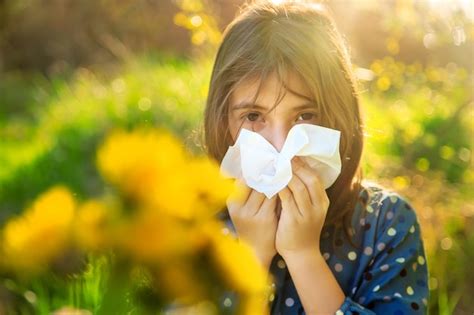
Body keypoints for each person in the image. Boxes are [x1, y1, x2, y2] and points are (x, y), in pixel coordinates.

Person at [203, 1, 429, 314]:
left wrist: (302, 255)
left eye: (304, 115)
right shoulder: (197, 226)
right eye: (254, 115)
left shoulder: (385, 222)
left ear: (338, 116)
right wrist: (251, 255)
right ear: (223, 120)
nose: (282, 145)